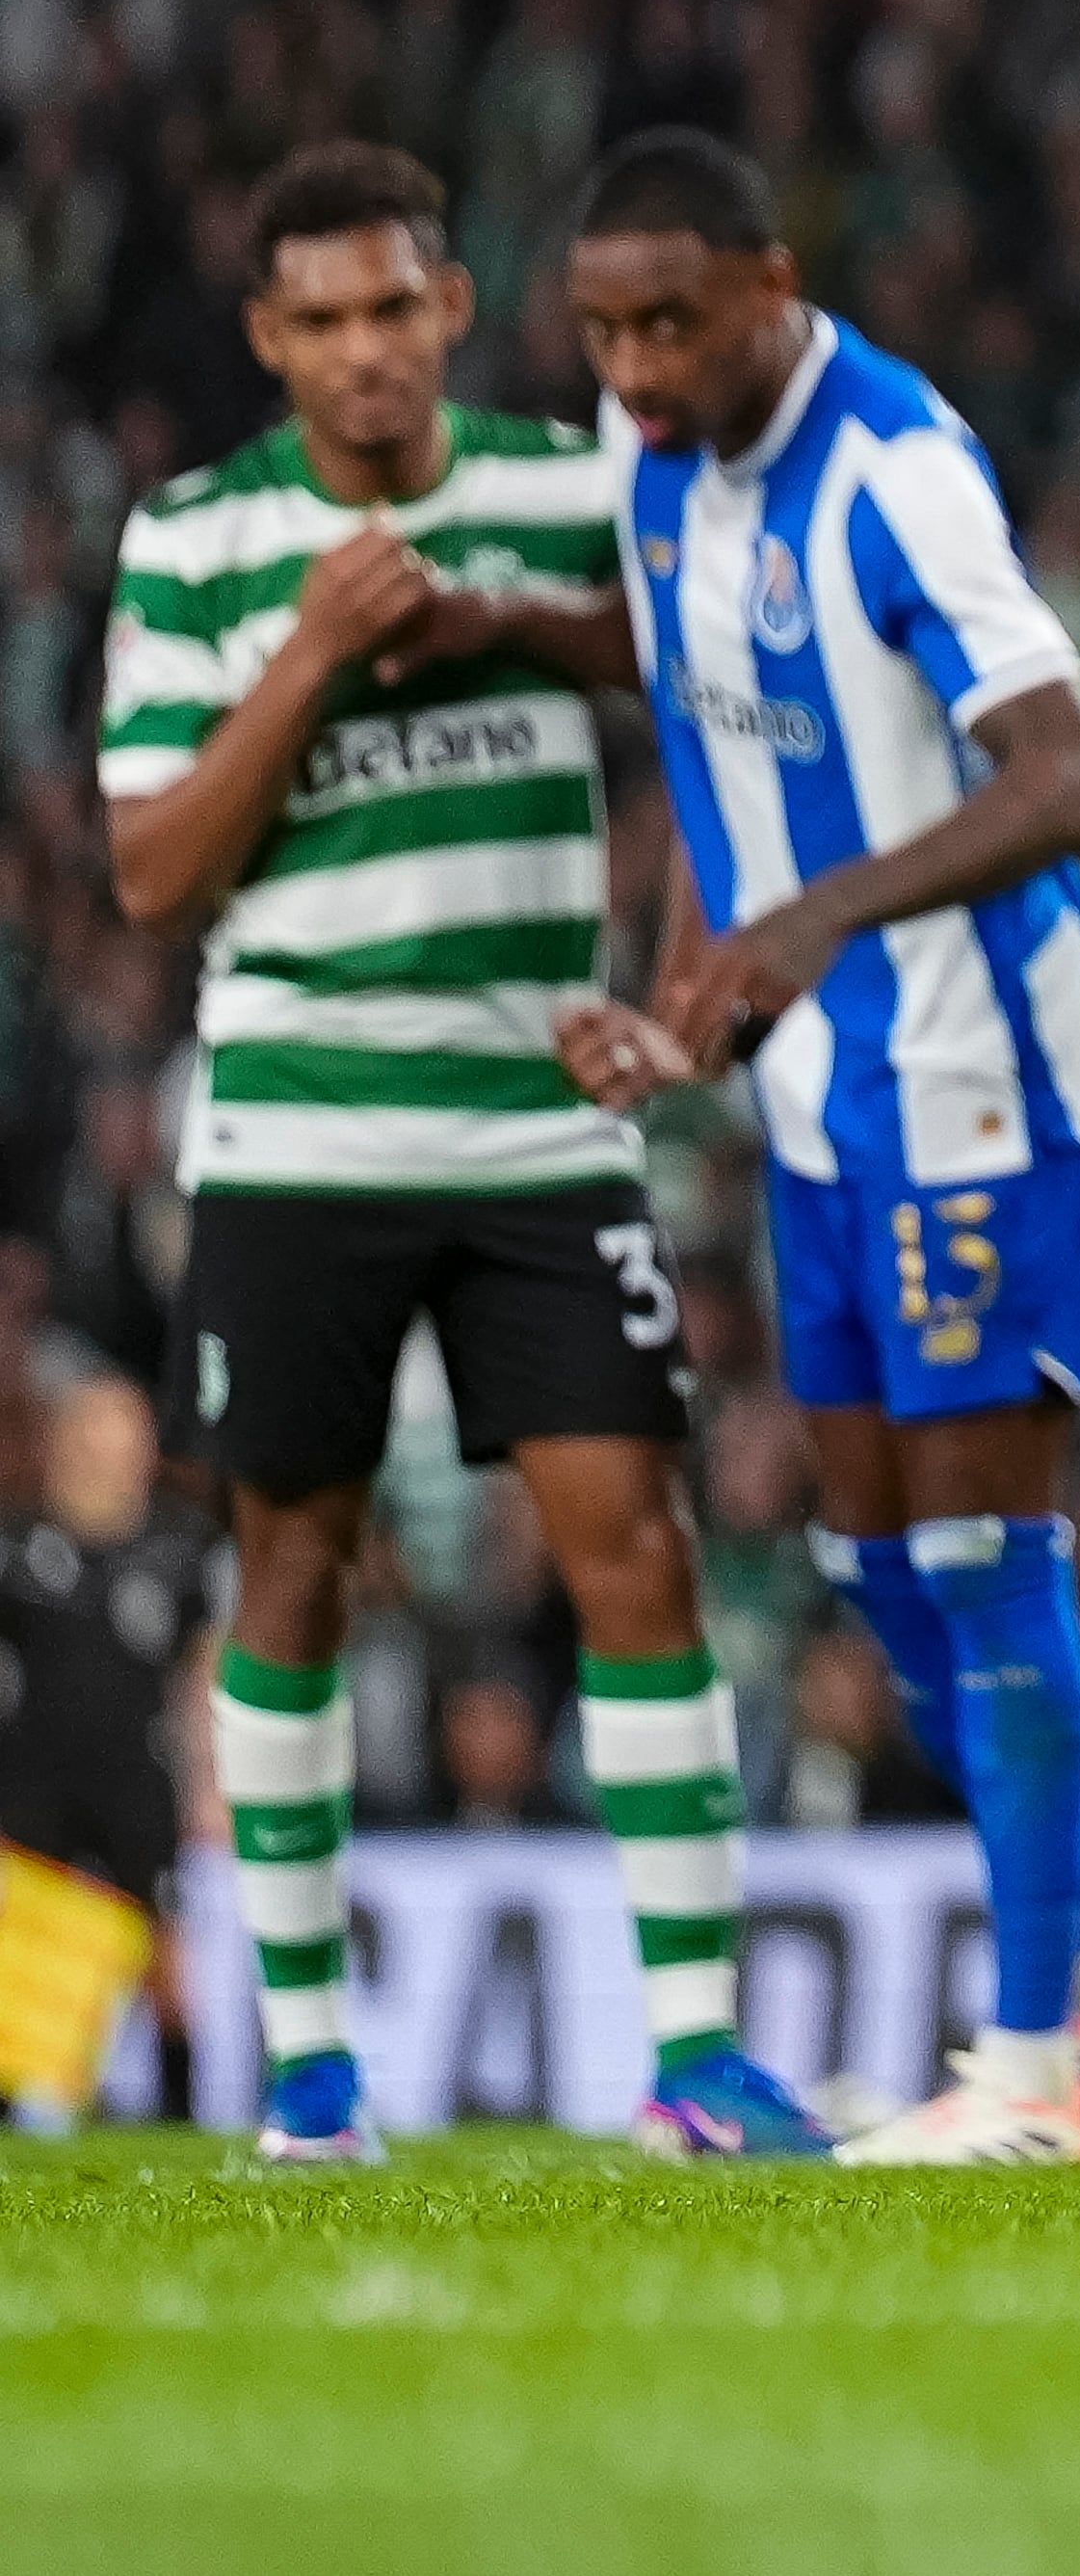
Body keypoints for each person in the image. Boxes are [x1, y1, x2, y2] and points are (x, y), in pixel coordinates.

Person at [95, 141, 832, 2164]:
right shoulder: (194, 541)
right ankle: (313, 2073)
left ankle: (694, 2055)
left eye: (390, 307)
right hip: (295, 1132)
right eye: (316, 319)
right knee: (296, 1572)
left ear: (447, 307)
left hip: (537, 1120)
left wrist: (682, 979)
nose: (359, 350)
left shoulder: (561, 484)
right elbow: (153, 869)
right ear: (271, 338)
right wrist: (321, 650)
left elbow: (712, 698)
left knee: (638, 1546)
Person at [551, 126, 1080, 2168]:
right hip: (819, 1105)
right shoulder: (642, 455)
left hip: (982, 1090)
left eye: (673, 318)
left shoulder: (895, 471)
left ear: (774, 278)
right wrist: (682, 994)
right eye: (603, 328)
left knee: (975, 1556)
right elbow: (699, 731)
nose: (639, 362)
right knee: (866, 1559)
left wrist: (828, 911)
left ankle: (1034, 2078)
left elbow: (1079, 772)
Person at [0, 1380, 203, 2132]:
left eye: (127, 1430)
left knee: (166, 1958)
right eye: (97, 1429)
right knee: (21, 1949)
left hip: (137, 1777)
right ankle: (14, 2105)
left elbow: (202, 1672)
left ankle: (180, 2111)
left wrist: (212, 1785)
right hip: (36, 1775)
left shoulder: (178, 1552)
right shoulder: (19, 1548)